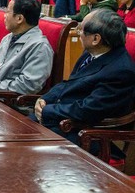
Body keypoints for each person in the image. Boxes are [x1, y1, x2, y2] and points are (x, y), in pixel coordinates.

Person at [31, 10, 135, 151]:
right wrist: (44, 99)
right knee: (20, 129)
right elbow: (69, 83)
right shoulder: (91, 53)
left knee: (28, 145)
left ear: (95, 39)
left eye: (81, 29)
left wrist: (48, 111)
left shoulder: (121, 71)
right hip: (63, 119)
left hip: (87, 134)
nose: (79, 33)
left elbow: (88, 109)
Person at [0, 0, 53, 95]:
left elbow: (28, 86)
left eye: (8, 11)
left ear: (19, 18)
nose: (4, 15)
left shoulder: (39, 47)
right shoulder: (8, 38)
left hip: (10, 103)